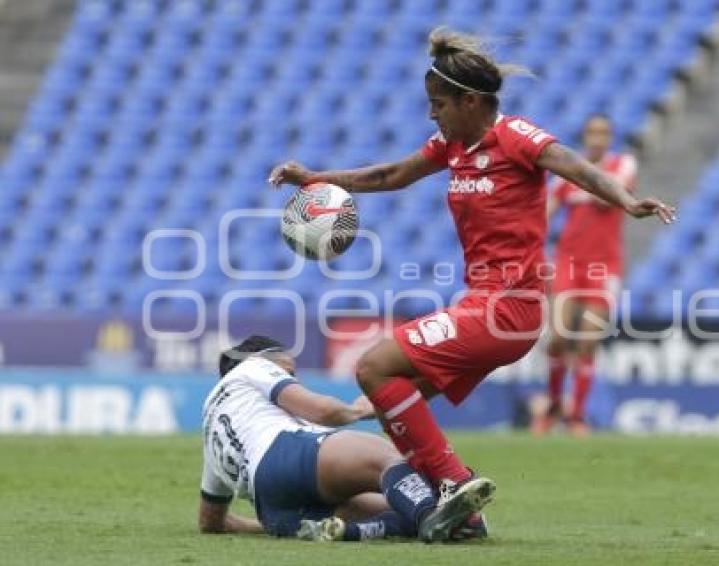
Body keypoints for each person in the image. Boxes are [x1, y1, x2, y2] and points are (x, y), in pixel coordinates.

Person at [268, 27, 675, 526]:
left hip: (509, 309)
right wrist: (315, 178)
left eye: (438, 103)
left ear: (471, 101)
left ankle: (455, 483)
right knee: (391, 394)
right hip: (483, 305)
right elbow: (389, 176)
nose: (431, 114)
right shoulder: (451, 145)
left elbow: (575, 167)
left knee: (374, 367)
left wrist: (627, 200)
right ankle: (457, 514)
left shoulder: (517, 137)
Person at [198, 334, 488, 543]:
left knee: (400, 506)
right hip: (289, 456)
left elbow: (210, 521)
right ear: (269, 358)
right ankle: (432, 514)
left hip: (275, 510)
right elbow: (322, 411)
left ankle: (346, 531)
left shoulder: (213, 430)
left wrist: (264, 525)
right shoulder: (253, 366)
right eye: (289, 371)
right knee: (384, 457)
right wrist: (358, 410)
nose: (293, 376)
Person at [533, 114, 638, 436]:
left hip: (605, 266)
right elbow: (543, 215)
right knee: (560, 338)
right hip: (568, 263)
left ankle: (576, 415)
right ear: (585, 136)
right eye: (592, 132)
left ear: (610, 137)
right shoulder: (566, 175)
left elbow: (607, 197)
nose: (597, 138)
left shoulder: (623, 165)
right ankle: (553, 404)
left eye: (603, 133)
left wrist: (578, 180)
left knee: (589, 342)